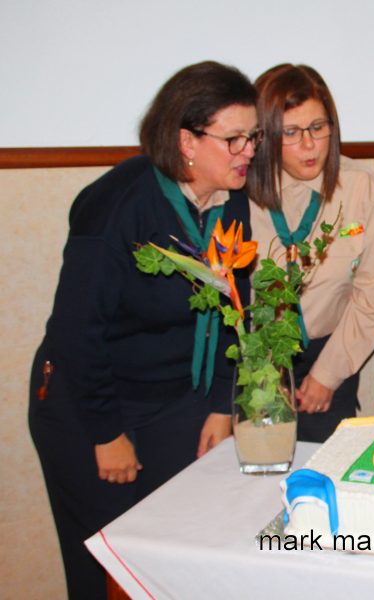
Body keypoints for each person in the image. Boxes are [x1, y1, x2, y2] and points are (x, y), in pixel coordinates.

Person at [29, 61, 259, 599]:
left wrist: (224, 404)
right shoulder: (118, 206)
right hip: (92, 408)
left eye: (253, 136)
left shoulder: (231, 197)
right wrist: (107, 436)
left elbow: (234, 306)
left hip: (177, 398)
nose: (248, 150)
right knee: (110, 567)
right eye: (234, 139)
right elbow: (75, 334)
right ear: (186, 140)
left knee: (173, 558)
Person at [246, 64, 374, 443]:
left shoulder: (360, 187)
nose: (310, 145)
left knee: (320, 479)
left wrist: (328, 374)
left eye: (318, 127)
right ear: (264, 136)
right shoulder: (239, 193)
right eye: (291, 133)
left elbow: (373, 291)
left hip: (332, 355)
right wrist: (262, 370)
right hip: (256, 359)